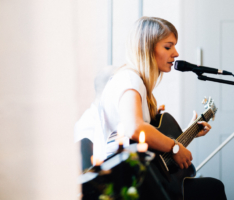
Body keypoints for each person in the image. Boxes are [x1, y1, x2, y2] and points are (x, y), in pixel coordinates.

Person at [97, 17, 227, 200]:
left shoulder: (135, 81)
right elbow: (134, 127)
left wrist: (187, 132)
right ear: (147, 49)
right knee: (212, 188)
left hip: (138, 178)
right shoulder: (130, 79)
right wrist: (174, 147)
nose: (176, 53)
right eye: (168, 47)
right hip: (129, 184)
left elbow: (150, 146)